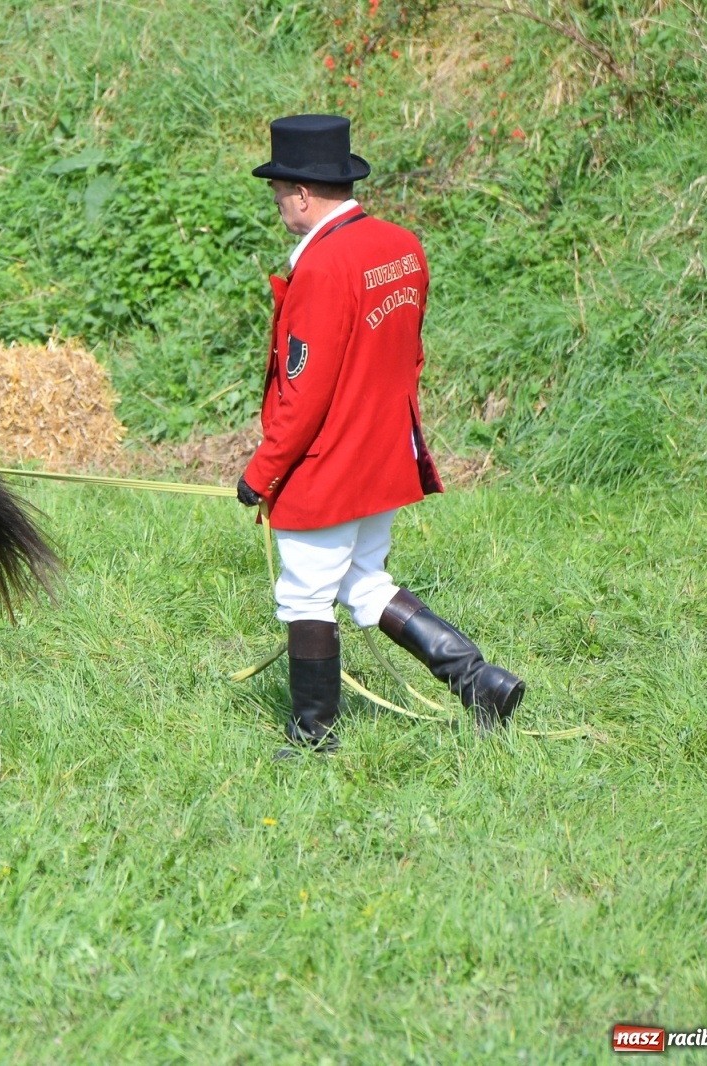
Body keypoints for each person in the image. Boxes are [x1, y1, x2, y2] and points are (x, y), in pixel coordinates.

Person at [235, 114, 525, 757]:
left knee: (305, 592)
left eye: (277, 190)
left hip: (329, 464)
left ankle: (314, 735)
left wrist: (262, 475)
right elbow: (408, 356)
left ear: (302, 192)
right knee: (364, 583)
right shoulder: (402, 245)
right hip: (384, 453)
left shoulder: (322, 267)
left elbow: (302, 391)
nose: (277, 202)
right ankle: (480, 681)